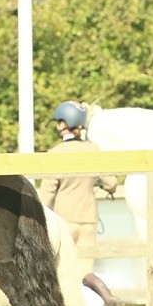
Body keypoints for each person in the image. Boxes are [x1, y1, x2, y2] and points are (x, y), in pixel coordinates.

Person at [39, 101, 118, 280]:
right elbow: (111, 182)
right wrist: (104, 185)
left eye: (59, 121)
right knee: (86, 270)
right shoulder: (92, 150)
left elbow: (47, 193)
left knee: (63, 271)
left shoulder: (55, 153)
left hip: (64, 219)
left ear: (64, 124)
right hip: (89, 219)